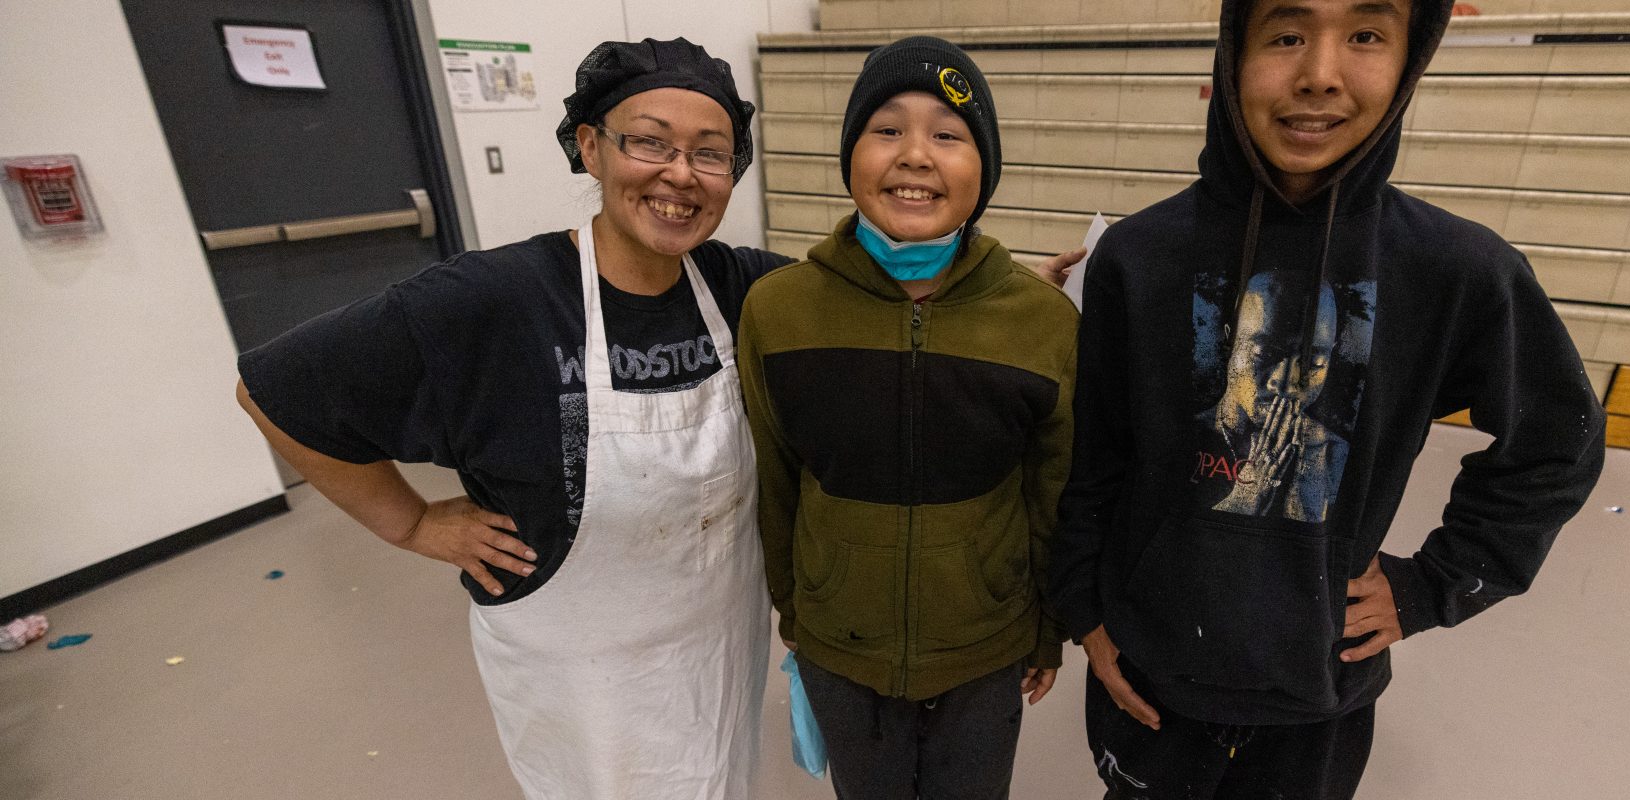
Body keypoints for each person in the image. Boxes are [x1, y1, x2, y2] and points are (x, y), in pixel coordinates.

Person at [1048, 1, 1607, 798]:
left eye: (1365, 36)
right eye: (1286, 35)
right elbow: (1090, 456)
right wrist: (1085, 611)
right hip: (1148, 675)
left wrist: (1431, 585)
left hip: (1320, 694)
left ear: (1410, 60)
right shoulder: (1138, 258)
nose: (1319, 74)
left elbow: (1558, 440)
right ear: (1232, 54)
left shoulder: (1456, 269)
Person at [238, 39, 782, 799]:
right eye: (650, 142)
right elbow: (275, 390)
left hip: (717, 646)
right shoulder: (494, 300)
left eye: (710, 153)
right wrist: (411, 524)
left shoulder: (743, 288)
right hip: (579, 678)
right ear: (591, 148)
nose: (680, 174)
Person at [737, 37, 1078, 800]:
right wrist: (799, 615)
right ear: (849, 153)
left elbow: (1051, 491)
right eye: (886, 129)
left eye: (948, 135)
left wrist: (1047, 626)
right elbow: (776, 480)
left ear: (984, 170)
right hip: (840, 648)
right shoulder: (778, 310)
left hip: (987, 648)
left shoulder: (1042, 321)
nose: (915, 155)